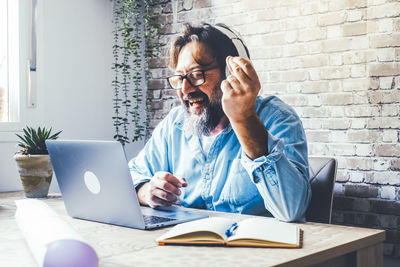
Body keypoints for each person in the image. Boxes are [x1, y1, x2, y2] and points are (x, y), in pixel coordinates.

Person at [129, 22, 311, 222]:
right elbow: (131, 175)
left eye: (197, 75)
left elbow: (291, 209)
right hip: (189, 246)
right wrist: (147, 191)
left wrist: (244, 119)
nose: (186, 89)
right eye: (179, 78)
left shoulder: (277, 118)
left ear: (231, 73)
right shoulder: (175, 124)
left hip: (256, 248)